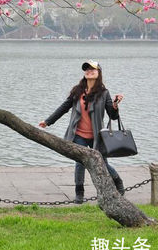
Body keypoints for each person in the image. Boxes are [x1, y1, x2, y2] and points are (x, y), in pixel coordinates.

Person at [39, 60, 125, 204]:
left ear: (98, 73)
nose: (89, 71)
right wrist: (48, 121)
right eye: (87, 69)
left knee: (102, 163)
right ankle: (79, 193)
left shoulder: (104, 93)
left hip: (98, 136)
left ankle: (118, 182)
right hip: (78, 134)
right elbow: (64, 107)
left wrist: (115, 105)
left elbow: (113, 116)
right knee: (80, 162)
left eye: (92, 69)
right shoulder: (77, 91)